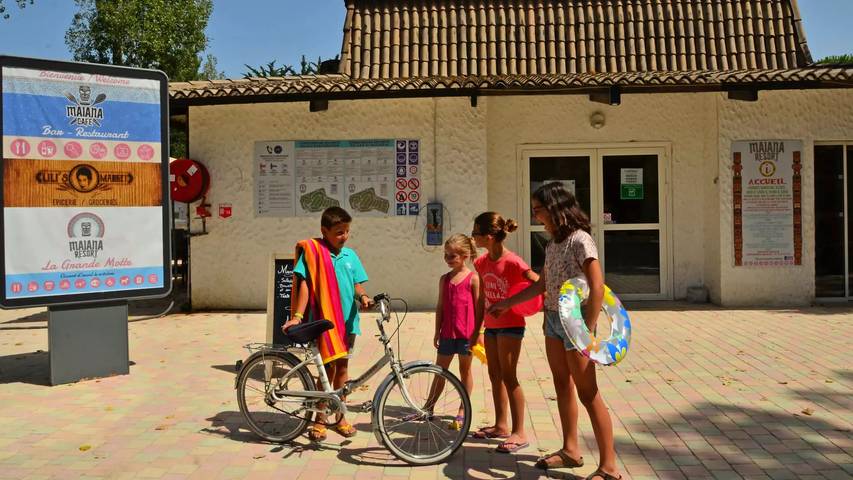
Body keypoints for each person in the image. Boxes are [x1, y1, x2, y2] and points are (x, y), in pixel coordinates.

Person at [488, 183, 622, 480]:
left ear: (556, 209)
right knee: (562, 384)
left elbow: (597, 285)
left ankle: (610, 467)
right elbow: (540, 286)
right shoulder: (552, 245)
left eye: (538, 210)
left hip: (577, 322)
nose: (536, 217)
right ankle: (571, 450)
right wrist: (506, 303)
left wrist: (586, 329)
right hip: (552, 319)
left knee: (589, 392)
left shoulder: (580, 240)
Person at [282, 206, 372, 442]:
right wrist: (298, 316)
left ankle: (340, 416)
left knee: (342, 369)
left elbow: (356, 284)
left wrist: (363, 297)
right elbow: (304, 285)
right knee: (325, 372)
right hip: (324, 323)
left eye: (347, 231)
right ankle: (320, 418)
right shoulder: (313, 253)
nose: (344, 237)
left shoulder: (350, 255)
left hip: (347, 323)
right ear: (324, 231)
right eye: (339, 232)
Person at [469, 212, 538, 454]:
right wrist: (476, 328)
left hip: (511, 326)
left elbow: (538, 283)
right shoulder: (481, 262)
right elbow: (481, 299)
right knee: (494, 375)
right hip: (491, 327)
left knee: (509, 376)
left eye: (475, 233)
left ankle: (519, 432)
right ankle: (501, 425)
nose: (472, 237)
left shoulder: (514, 262)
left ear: (488, 236)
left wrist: (517, 302)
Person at [419, 234, 480, 430]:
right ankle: (429, 406)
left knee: (465, 371)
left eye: (452, 256)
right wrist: (437, 331)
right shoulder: (444, 279)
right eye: (446, 255)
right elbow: (440, 307)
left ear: (464, 255)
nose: (447, 259)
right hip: (447, 334)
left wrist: (478, 333)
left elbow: (480, 309)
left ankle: (463, 409)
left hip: (466, 335)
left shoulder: (473, 279)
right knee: (439, 371)